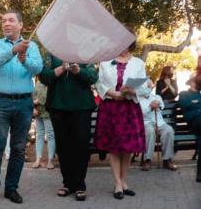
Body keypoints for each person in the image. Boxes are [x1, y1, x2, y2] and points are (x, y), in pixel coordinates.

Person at [0, 10, 43, 206]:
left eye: (10, 20)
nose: (6, 23)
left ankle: (11, 188)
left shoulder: (31, 46)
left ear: (20, 25)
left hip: (24, 102)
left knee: (18, 148)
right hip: (0, 102)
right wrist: (14, 51)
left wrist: (25, 60)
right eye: (3, 21)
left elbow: (38, 69)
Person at [39, 55, 98, 201]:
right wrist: (60, 69)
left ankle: (79, 185)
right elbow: (43, 77)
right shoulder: (52, 53)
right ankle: (67, 183)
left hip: (82, 107)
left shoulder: (85, 53)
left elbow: (92, 77)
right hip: (58, 106)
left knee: (81, 145)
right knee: (63, 146)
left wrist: (78, 71)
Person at [94, 41, 146, 200]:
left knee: (128, 148)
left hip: (130, 108)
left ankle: (124, 181)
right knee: (114, 147)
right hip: (111, 107)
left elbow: (144, 88)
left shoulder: (138, 63)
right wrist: (113, 93)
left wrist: (132, 90)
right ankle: (117, 183)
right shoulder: (105, 62)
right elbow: (99, 83)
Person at [139, 79, 177, 171]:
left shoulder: (157, 97)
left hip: (159, 122)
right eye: (146, 86)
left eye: (149, 86)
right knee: (150, 131)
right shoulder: (138, 99)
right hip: (146, 122)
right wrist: (150, 108)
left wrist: (157, 105)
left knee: (168, 130)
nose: (148, 88)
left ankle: (167, 160)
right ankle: (147, 160)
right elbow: (140, 114)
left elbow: (161, 106)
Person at [178, 73, 201, 182]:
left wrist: (195, 104)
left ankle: (200, 172)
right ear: (192, 82)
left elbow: (193, 105)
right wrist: (196, 105)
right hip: (194, 121)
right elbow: (185, 105)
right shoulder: (184, 94)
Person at [31, 79, 55, 170]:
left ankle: (50, 160)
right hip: (38, 113)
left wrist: (36, 102)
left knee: (50, 135)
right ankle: (38, 159)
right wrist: (33, 107)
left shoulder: (51, 82)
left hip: (48, 113)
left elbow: (46, 97)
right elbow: (33, 96)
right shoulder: (38, 82)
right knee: (39, 135)